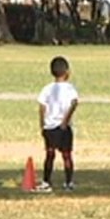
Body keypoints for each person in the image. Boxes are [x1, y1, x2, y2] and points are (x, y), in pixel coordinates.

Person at [35, 56, 80, 192]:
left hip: (50, 126)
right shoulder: (70, 89)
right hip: (63, 127)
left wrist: (42, 123)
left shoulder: (47, 89)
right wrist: (65, 121)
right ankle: (68, 182)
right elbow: (74, 104)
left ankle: (46, 182)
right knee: (66, 154)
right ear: (67, 72)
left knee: (50, 154)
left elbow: (42, 107)